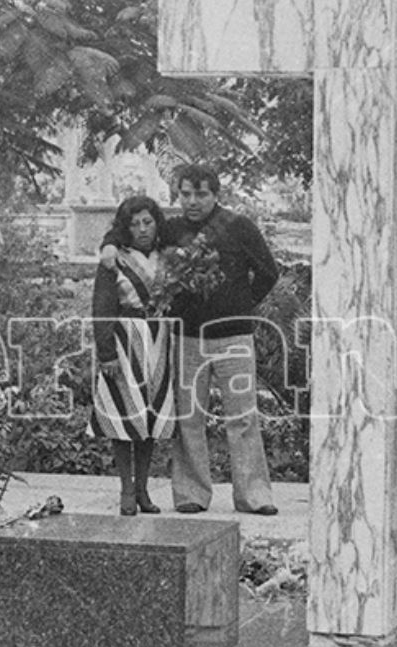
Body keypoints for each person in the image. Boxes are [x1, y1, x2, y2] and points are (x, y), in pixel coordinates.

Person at [109, 164, 279, 516]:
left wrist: (240, 304)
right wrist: (108, 244)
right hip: (186, 337)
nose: (192, 201)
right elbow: (131, 235)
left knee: (243, 417)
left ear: (216, 194)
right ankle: (191, 494)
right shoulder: (170, 230)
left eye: (200, 194)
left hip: (234, 336)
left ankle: (254, 495)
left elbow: (268, 272)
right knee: (189, 418)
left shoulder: (238, 227)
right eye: (186, 194)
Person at [90, 195, 178, 515]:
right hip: (125, 342)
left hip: (159, 341)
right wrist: (106, 352)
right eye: (134, 223)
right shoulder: (115, 258)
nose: (142, 229)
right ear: (124, 227)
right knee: (124, 416)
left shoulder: (168, 257)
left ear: (157, 224)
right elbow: (102, 307)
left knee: (149, 418)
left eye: (147, 222)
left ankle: (143, 490)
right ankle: (126, 489)